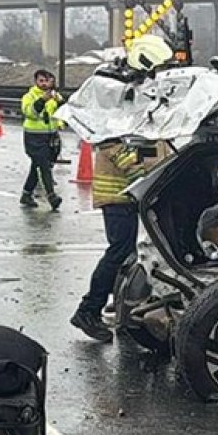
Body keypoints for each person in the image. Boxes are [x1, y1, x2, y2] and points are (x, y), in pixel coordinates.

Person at [71, 138, 168, 342]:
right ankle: (88, 310)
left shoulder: (122, 139)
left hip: (123, 201)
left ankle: (122, 306)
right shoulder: (113, 141)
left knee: (127, 254)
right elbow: (133, 166)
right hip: (117, 201)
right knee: (119, 253)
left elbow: (145, 156)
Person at [20, 70, 65, 211]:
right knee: (43, 166)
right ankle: (52, 196)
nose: (44, 84)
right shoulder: (29, 96)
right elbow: (30, 113)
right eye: (41, 81)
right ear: (36, 82)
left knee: (38, 166)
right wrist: (42, 100)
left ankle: (26, 194)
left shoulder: (55, 96)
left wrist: (60, 102)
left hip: (50, 136)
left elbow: (62, 113)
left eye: (47, 81)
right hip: (34, 137)